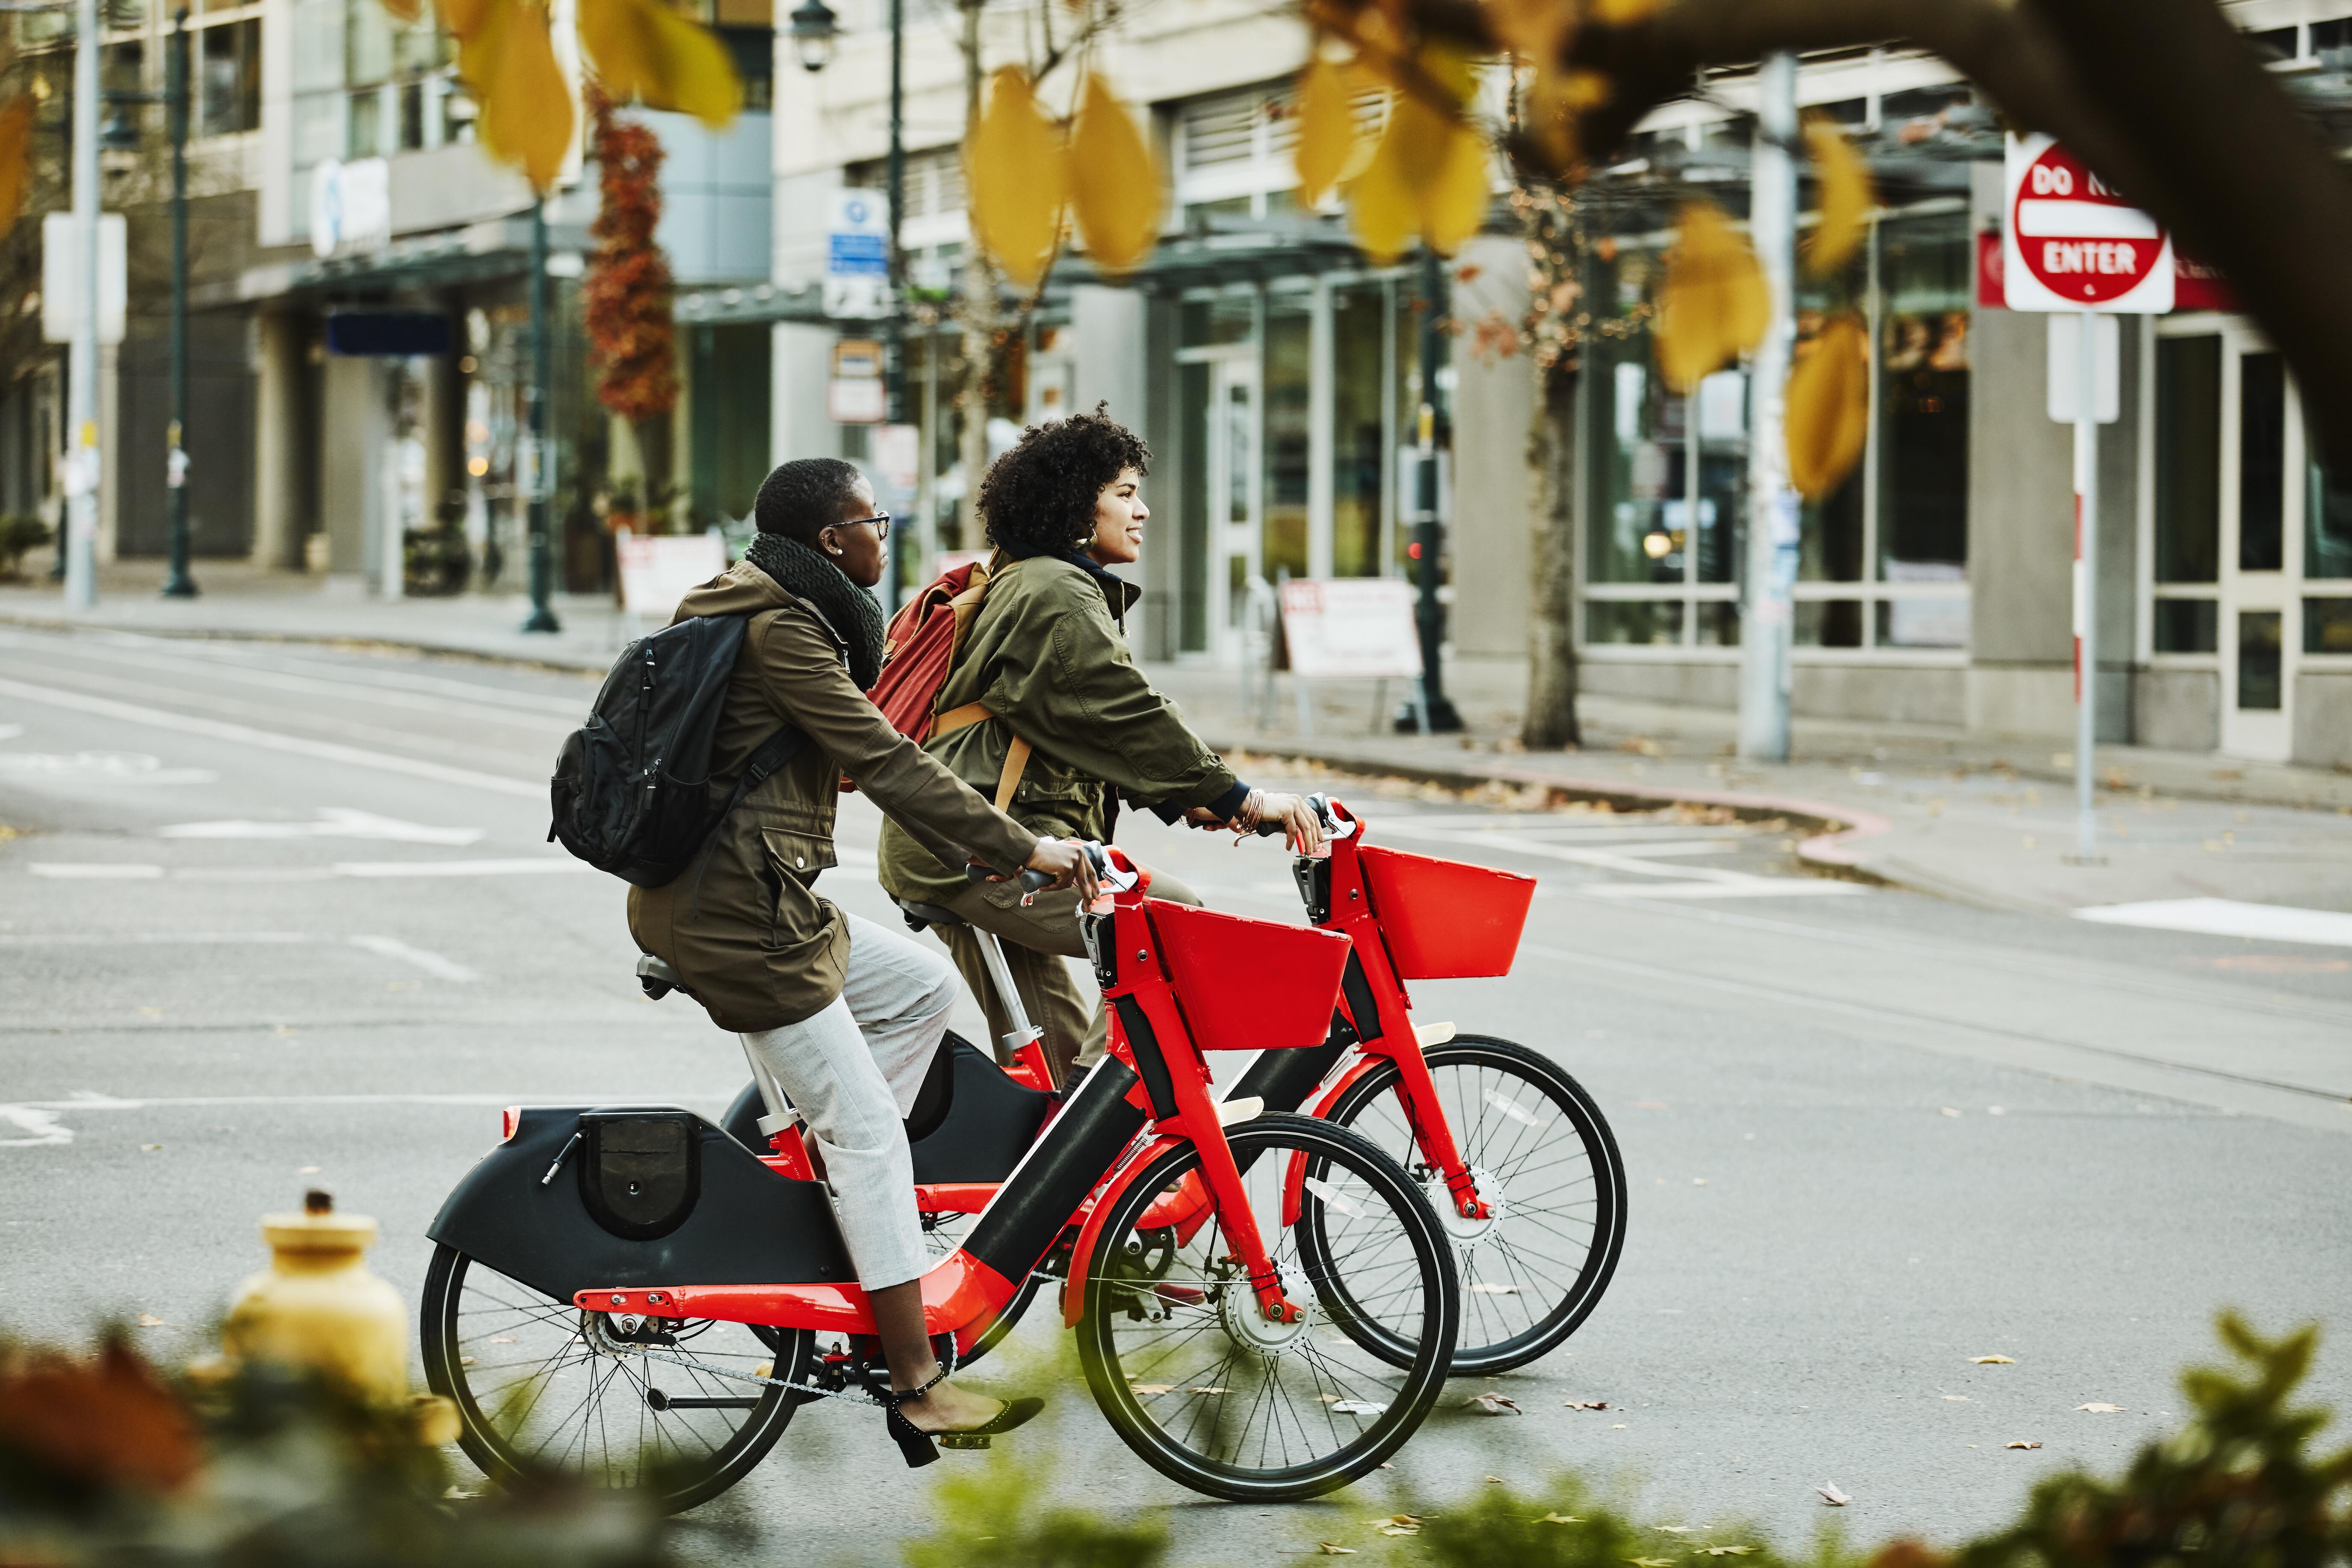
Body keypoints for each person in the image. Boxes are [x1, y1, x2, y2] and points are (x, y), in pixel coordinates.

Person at [628, 457, 1095, 1447]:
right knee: (873, 1134)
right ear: (834, 541)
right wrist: (1025, 848)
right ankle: (915, 1375)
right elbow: (884, 760)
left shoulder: (753, 603)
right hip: (742, 922)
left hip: (748, 898)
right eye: (873, 520)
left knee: (921, 985)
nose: (885, 536)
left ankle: (826, 1189)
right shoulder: (783, 630)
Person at [876, 407, 1321, 1088]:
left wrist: (1190, 803)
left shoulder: (1025, 579)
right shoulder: (1056, 589)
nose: (1142, 511)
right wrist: (1239, 798)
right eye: (1124, 493)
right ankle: (1101, 1122)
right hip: (988, 848)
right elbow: (1124, 711)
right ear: (1077, 505)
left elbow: (1074, 726)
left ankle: (1058, 1170)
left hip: (950, 843)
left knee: (1053, 1076)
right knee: (1172, 926)